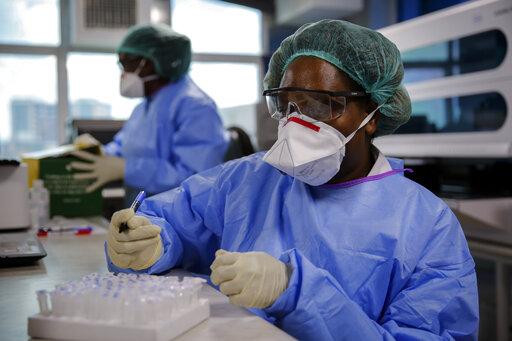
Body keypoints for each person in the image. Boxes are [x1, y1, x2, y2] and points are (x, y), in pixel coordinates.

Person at [105, 20, 479, 340]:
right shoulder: (249, 180)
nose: (297, 122)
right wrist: (148, 242)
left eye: (322, 105)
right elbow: (174, 220)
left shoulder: (427, 226)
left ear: (373, 113)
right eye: (286, 105)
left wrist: (295, 290)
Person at [70, 24, 228, 199]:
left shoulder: (196, 107)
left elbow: (197, 178)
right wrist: (99, 152)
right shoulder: (143, 107)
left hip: (178, 223)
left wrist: (126, 168)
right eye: (121, 65)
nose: (124, 73)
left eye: (128, 63)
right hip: (141, 215)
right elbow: (124, 147)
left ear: (157, 62)